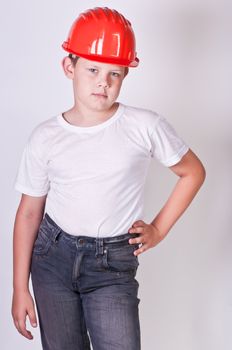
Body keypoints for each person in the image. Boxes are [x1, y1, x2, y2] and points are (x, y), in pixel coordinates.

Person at [11, 6, 206, 350]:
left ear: (125, 76)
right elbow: (29, 213)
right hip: (51, 261)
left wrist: (158, 228)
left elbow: (192, 172)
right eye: (92, 70)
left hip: (111, 267)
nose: (103, 81)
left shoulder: (144, 126)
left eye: (115, 73)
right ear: (68, 67)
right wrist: (19, 287)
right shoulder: (45, 137)